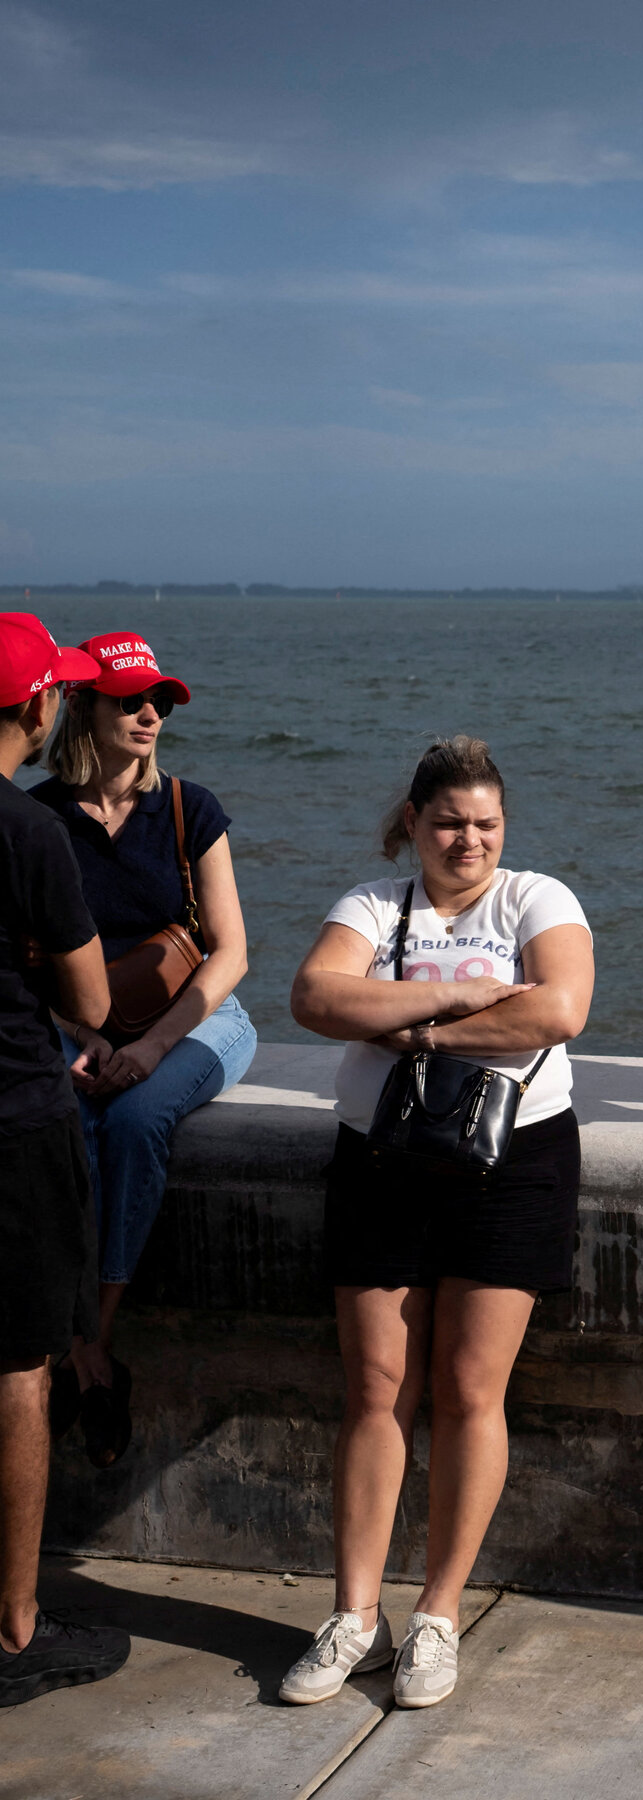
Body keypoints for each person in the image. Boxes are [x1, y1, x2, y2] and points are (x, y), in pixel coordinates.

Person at [283, 736, 593, 1711]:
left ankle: (438, 1615)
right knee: (376, 1388)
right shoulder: (373, 907)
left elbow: (559, 1011)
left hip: (516, 1165)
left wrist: (398, 1024)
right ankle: (354, 1616)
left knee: (467, 1388)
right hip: (382, 1163)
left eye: (486, 824)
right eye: (450, 822)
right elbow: (315, 996)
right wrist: (454, 999)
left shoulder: (537, 899)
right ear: (414, 822)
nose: (469, 840)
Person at [30, 633, 256, 1468]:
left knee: (136, 1119)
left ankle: (90, 1344)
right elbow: (25, 960)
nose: (150, 714)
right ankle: (92, 1365)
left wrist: (157, 1046)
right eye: (130, 700)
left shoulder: (191, 808)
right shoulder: (43, 818)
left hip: (200, 1018)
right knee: (69, 1127)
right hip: (79, 1025)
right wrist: (80, 1035)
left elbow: (232, 952)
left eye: (159, 700)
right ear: (83, 706)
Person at [0, 615, 131, 1707]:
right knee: (18, 1367)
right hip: (11, 1127)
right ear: (39, 707)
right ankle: (13, 1628)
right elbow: (90, 1001)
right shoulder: (28, 832)